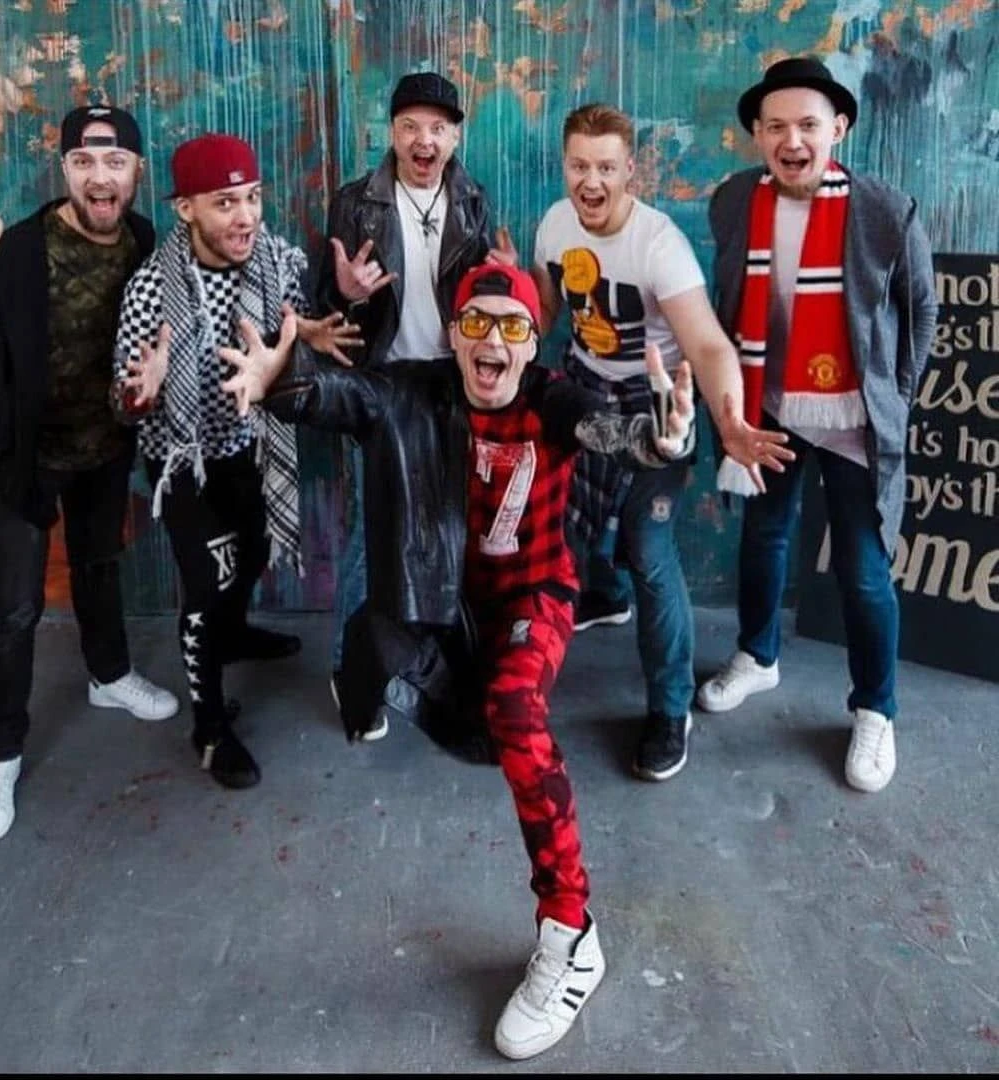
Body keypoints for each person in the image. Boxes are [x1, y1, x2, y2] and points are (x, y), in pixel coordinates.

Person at [218, 262, 697, 1060]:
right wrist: (280, 381)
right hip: (443, 600)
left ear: (532, 342)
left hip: (535, 594)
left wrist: (656, 440)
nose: (491, 341)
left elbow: (608, 432)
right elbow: (342, 397)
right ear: (452, 334)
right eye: (476, 322)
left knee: (515, 713)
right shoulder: (414, 390)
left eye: (511, 326)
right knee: (390, 666)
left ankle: (571, 933)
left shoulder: (552, 397)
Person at [0, 104, 179, 845]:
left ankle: (109, 676)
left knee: (99, 566)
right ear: (66, 169)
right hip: (23, 456)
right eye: (84, 161)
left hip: (104, 448)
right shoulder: (17, 250)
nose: (101, 176)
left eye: (115, 161)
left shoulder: (145, 240)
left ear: (135, 171)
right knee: (13, 611)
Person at [695, 57, 938, 794]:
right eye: (776, 127)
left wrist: (892, 399)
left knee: (863, 571)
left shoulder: (885, 210)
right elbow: (728, 300)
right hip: (772, 407)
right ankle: (757, 655)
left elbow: (921, 311)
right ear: (758, 135)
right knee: (764, 537)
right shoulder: (735, 201)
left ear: (840, 128)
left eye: (807, 124)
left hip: (853, 418)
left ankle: (875, 709)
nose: (791, 140)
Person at [532, 103, 793, 782]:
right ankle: (603, 596)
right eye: (579, 166)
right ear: (565, 165)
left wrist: (730, 424)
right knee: (563, 528)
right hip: (586, 388)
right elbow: (551, 308)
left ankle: (670, 707)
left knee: (649, 549)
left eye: (606, 168)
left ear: (631, 171)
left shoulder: (659, 246)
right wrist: (515, 312)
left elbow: (708, 346)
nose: (591, 181)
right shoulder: (555, 225)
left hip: (658, 404)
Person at [112, 132, 360, 791]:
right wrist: (144, 390)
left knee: (251, 554)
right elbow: (122, 403)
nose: (246, 216)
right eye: (225, 203)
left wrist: (309, 332)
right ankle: (210, 728)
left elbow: (294, 326)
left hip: (250, 446)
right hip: (186, 461)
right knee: (206, 586)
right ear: (185, 209)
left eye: (252, 198)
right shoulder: (150, 291)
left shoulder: (275, 259)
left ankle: (234, 632)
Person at [314, 70, 508, 734]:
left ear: (454, 137)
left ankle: (433, 656)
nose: (424, 141)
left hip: (453, 383)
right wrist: (347, 295)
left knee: (452, 526)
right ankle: (350, 667)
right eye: (410, 127)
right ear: (392, 133)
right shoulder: (356, 202)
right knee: (373, 533)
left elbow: (484, 296)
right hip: (383, 381)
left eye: (438, 128)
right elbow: (327, 310)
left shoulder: (473, 199)